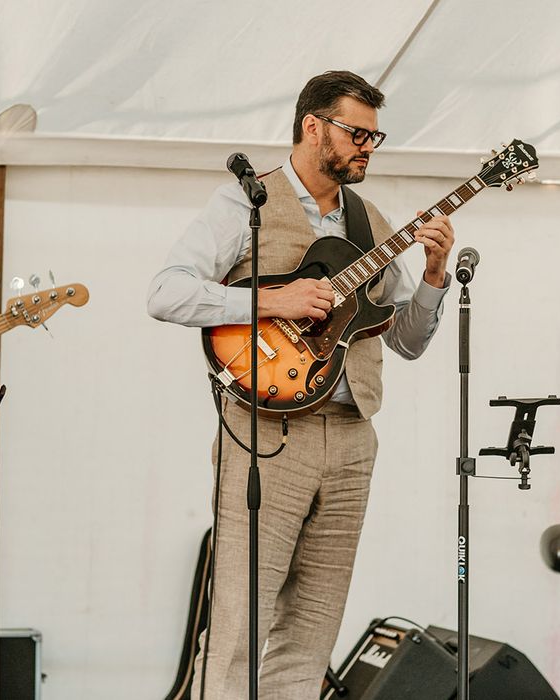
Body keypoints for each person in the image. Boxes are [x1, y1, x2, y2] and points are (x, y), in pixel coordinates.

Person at [147, 70, 454, 699]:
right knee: (238, 629)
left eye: (376, 136)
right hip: (265, 437)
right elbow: (166, 292)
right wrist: (270, 301)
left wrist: (433, 274)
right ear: (313, 126)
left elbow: (408, 342)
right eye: (357, 133)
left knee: (312, 631)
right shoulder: (246, 201)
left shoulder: (370, 222)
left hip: (350, 440)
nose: (368, 146)